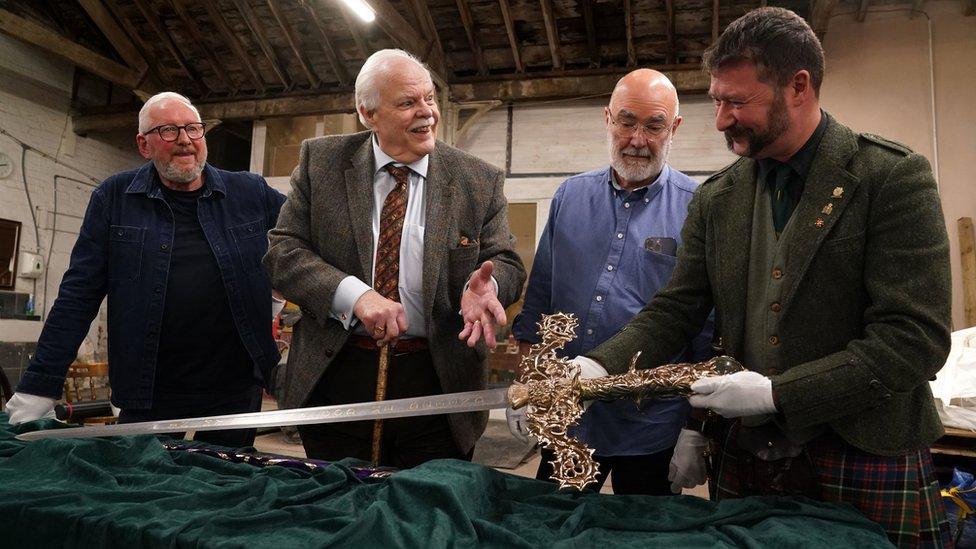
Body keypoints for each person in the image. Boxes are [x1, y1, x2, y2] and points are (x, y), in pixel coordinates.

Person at [578, 7, 952, 547]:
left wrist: (780, 395)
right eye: (718, 100)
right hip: (747, 458)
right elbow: (676, 309)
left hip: (862, 453)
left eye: (737, 101)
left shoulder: (889, 177)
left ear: (798, 87)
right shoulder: (718, 197)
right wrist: (599, 363)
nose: (722, 118)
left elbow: (913, 340)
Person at [263, 49, 526, 469]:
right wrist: (356, 296)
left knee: (424, 517)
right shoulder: (322, 163)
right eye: (407, 103)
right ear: (368, 114)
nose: (427, 113)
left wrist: (488, 286)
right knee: (339, 508)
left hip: (439, 384)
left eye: (429, 98)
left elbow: (506, 260)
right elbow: (284, 252)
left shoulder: (477, 179)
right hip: (337, 377)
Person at [6, 92, 286, 448]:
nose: (185, 140)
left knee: (226, 487)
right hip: (148, 389)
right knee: (140, 486)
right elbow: (78, 297)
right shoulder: (115, 198)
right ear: (144, 144)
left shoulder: (250, 192)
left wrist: (278, 295)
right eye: (168, 130)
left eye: (194, 129)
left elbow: (306, 238)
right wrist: (38, 386)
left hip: (235, 388)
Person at [507, 69, 712, 495]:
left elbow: (704, 327)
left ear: (674, 128)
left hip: (653, 426)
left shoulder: (699, 209)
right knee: (551, 529)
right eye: (626, 121)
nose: (638, 138)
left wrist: (698, 427)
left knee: (645, 538)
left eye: (654, 125)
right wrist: (527, 381)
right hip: (569, 419)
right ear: (607, 120)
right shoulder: (569, 197)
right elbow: (539, 301)